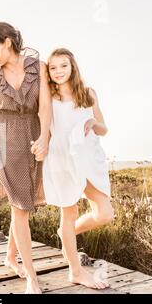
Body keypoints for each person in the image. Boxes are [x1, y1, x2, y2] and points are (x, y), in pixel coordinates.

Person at [0, 22, 52, 294]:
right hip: (5, 137)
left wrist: (45, 137)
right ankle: (31, 277)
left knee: (24, 202)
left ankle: (10, 257)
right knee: (19, 206)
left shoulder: (40, 66)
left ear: (8, 41)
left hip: (34, 133)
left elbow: (44, 106)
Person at [42, 48, 114, 289]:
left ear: (72, 66)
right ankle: (75, 271)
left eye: (63, 65)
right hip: (62, 158)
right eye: (53, 67)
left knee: (104, 214)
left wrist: (93, 122)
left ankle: (67, 234)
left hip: (89, 157)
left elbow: (104, 129)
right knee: (68, 212)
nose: (59, 71)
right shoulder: (48, 97)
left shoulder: (88, 93)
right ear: (48, 72)